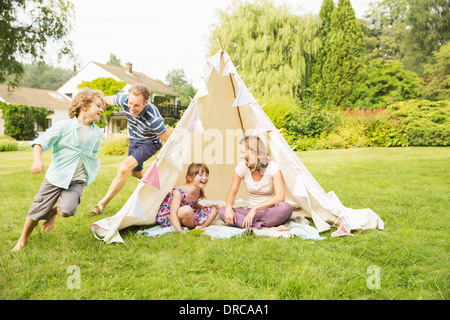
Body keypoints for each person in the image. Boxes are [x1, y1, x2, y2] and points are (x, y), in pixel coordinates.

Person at [13, 88, 105, 251]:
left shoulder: (97, 133)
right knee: (37, 211)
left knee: (67, 211)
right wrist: (37, 161)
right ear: (84, 105)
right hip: (56, 178)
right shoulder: (63, 126)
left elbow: (93, 153)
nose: (101, 109)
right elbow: (40, 143)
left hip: (77, 180)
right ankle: (23, 239)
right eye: (98, 105)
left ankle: (54, 212)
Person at [91, 84, 170, 215]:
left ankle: (101, 205)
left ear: (146, 102)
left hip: (149, 142)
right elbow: (104, 100)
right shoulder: (124, 100)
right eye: (130, 103)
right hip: (134, 139)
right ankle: (160, 190)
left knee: (124, 168)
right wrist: (97, 112)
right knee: (135, 173)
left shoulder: (154, 119)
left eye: (136, 105)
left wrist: (158, 162)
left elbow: (168, 139)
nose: (132, 108)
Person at [219, 136, 292, 230]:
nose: (241, 156)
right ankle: (266, 228)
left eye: (243, 152)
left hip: (270, 211)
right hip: (250, 213)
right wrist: (228, 208)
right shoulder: (241, 168)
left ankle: (251, 225)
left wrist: (255, 208)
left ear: (255, 151)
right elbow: (232, 193)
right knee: (223, 211)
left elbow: (280, 197)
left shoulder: (273, 168)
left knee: (285, 207)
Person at [156, 163, 218, 232]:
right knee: (187, 210)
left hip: (185, 215)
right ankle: (191, 225)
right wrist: (180, 231)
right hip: (169, 217)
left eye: (206, 175)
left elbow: (193, 204)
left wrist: (205, 208)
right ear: (190, 178)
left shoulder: (198, 191)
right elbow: (173, 213)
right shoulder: (179, 191)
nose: (205, 178)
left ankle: (201, 226)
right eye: (200, 175)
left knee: (214, 210)